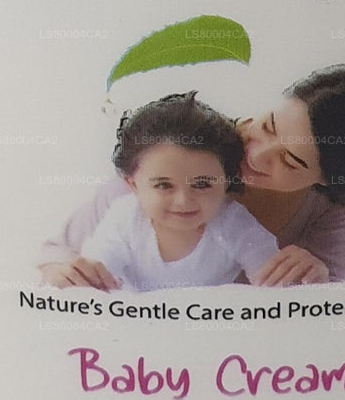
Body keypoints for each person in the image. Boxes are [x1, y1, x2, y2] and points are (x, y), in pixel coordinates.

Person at [37, 64, 345, 289]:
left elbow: (330, 296)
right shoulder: (187, 149)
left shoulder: (341, 201)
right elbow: (60, 255)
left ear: (325, 181)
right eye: (268, 125)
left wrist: (318, 276)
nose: (256, 154)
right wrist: (60, 273)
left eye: (289, 162)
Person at [67, 92, 276, 292]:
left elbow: (273, 280)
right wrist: (82, 277)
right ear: (133, 185)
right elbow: (95, 274)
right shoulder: (126, 218)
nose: (183, 201)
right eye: (163, 185)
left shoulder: (233, 222)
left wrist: (284, 273)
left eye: (202, 184)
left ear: (226, 183)